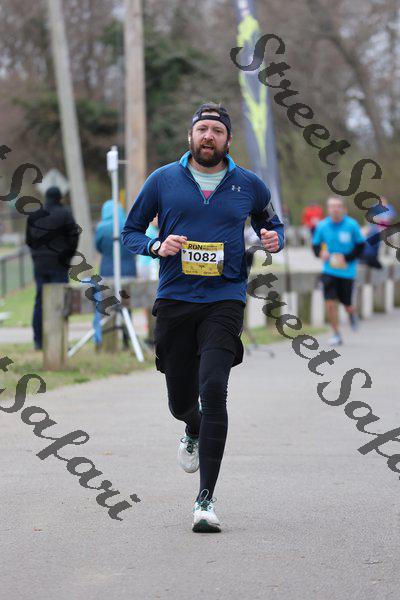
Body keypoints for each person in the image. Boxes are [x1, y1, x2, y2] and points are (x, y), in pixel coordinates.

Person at [122, 101, 284, 533]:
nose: (208, 136)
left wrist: (274, 238)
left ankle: (205, 500)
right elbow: (130, 231)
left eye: (217, 130)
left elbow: (273, 224)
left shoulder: (248, 184)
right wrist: (156, 246)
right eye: (202, 129)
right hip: (175, 299)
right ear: (190, 136)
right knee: (181, 402)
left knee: (214, 391)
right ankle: (191, 427)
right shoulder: (162, 180)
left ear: (228, 140)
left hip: (224, 299)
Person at [26, 186, 79, 350]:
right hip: (59, 263)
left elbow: (29, 240)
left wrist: (36, 255)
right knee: (60, 301)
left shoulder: (35, 214)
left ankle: (39, 340)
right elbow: (74, 236)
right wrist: (68, 255)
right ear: (59, 198)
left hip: (40, 264)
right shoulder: (65, 214)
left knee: (40, 301)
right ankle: (60, 341)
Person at [312, 197, 365, 346]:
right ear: (328, 209)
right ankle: (336, 334)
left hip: (347, 272)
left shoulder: (351, 225)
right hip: (329, 271)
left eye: (338, 206)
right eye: (332, 207)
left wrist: (346, 258)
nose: (335, 209)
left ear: (343, 209)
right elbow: (315, 246)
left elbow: (361, 246)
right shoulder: (322, 225)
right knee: (330, 303)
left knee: (347, 304)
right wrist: (320, 253)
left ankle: (351, 313)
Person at [93, 199, 136, 348]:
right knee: (126, 305)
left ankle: (106, 341)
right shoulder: (129, 225)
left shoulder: (101, 227)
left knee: (106, 304)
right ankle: (127, 337)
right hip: (129, 271)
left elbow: (98, 246)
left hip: (107, 271)